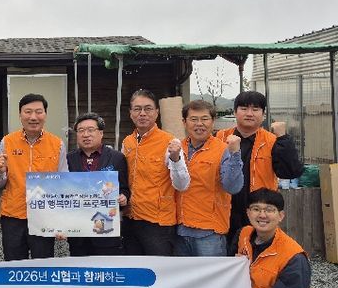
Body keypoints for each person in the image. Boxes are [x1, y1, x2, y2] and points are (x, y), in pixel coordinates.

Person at [216, 91, 304, 255]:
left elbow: (290, 171)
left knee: (257, 257)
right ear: (235, 112)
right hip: (223, 211)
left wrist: (284, 138)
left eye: (255, 109)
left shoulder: (272, 141)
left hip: (257, 212)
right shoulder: (219, 138)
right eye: (244, 108)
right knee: (224, 258)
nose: (249, 113)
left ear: (263, 115)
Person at [0, 93, 68, 260]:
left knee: (43, 263)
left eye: (38, 112)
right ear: (20, 115)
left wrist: (62, 219)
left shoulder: (57, 144)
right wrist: (1, 171)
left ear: (45, 115)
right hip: (13, 215)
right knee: (13, 264)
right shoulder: (7, 142)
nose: (33, 117)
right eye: (28, 112)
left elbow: (63, 182)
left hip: (44, 215)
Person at [121, 89, 190, 256]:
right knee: (134, 267)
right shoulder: (127, 142)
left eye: (148, 109)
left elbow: (182, 184)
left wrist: (175, 158)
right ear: (131, 113)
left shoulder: (169, 142)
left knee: (159, 268)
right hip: (131, 217)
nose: (142, 113)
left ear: (157, 112)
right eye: (137, 109)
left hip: (158, 223)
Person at [174, 100, 243, 257]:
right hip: (180, 230)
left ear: (213, 121)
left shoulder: (223, 150)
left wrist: (235, 154)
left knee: (212, 274)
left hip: (210, 233)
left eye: (204, 119)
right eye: (193, 119)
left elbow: (233, 187)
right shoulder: (176, 149)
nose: (199, 124)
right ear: (184, 122)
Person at [66, 112, 130, 256]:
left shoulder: (117, 158)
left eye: (90, 130)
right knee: (80, 267)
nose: (85, 135)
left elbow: (125, 188)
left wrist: (123, 197)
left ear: (101, 133)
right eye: (81, 131)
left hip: (106, 229)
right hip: (78, 231)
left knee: (106, 266)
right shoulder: (68, 159)